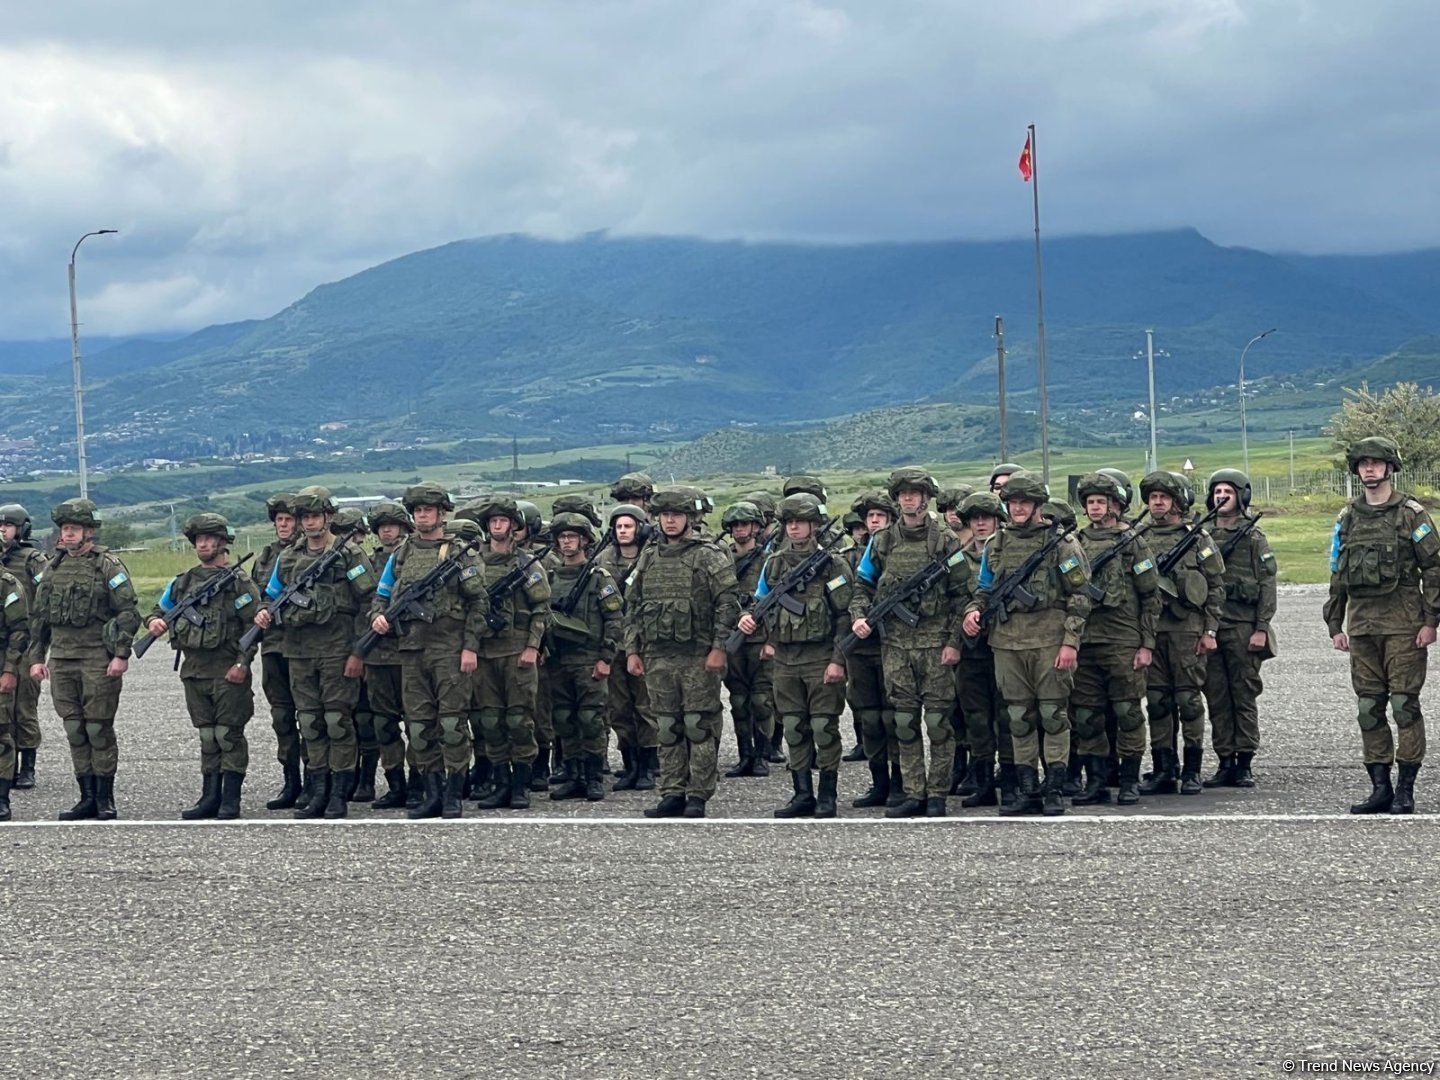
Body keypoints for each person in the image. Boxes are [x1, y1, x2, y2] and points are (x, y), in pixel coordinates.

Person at [1325, 436, 1440, 815]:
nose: (1369, 469)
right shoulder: (1348, 517)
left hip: (1404, 625)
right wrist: (1334, 623)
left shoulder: (1412, 514)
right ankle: (1380, 788)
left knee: (1404, 705)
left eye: (1376, 462)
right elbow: (1338, 572)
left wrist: (1431, 620)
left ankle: (1406, 789)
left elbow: (1434, 569)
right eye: (1363, 463)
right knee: (1368, 708)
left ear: (1390, 467)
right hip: (1362, 627)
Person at [963, 475, 1090, 816]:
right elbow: (984, 589)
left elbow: (1079, 596)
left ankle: (1053, 788)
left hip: (1050, 640)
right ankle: (1028, 789)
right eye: (1012, 502)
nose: (1017, 508)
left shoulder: (1062, 544)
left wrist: (1070, 642)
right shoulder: (997, 544)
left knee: (1052, 715)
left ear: (1037, 505)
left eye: (1023, 502)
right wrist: (973, 611)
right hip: (1007, 643)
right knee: (1018, 718)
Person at [850, 467, 971, 818]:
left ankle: (937, 793)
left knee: (937, 723)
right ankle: (913, 792)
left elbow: (963, 595)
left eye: (915, 493)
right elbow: (863, 587)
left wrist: (954, 643)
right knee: (903, 722)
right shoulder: (883, 540)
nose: (908, 498)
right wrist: (859, 616)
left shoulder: (945, 541)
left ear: (926, 498)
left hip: (935, 646)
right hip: (896, 646)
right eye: (903, 493)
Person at [253, 485, 374, 819]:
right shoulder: (289, 557)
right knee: (310, 722)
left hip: (337, 650)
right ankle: (317, 790)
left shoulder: (349, 554)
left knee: (337, 721)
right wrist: (264, 611)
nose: (309, 523)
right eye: (304, 517)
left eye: (314, 516)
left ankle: (338, 793)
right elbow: (270, 594)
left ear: (328, 517)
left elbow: (369, 602)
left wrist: (359, 653)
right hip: (298, 652)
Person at [369, 483, 489, 819]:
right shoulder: (402, 554)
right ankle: (432, 793)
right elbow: (381, 595)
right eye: (417, 510)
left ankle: (453, 794)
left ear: (442, 513)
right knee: (420, 728)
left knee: (452, 725)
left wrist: (470, 647)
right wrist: (378, 617)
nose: (422, 515)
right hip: (410, 651)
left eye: (428, 509)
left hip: (449, 650)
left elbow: (478, 602)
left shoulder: (459, 553)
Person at [625, 487, 740, 818]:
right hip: (658, 655)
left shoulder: (709, 555)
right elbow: (632, 606)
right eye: (665, 515)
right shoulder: (649, 556)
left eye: (677, 515)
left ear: (691, 518)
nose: (670, 521)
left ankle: (698, 794)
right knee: (666, 726)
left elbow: (727, 605)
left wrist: (719, 648)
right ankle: (672, 791)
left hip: (697, 655)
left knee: (697, 725)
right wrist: (633, 650)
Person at [736, 494, 853, 818]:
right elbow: (760, 600)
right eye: (789, 522)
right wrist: (748, 618)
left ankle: (827, 795)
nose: (794, 527)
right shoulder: (774, 563)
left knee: (823, 727)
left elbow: (845, 615)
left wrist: (837, 660)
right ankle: (802, 793)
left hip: (819, 656)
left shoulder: (833, 564)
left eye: (800, 521)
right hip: (785, 659)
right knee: (793, 727)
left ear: (814, 525)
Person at [27, 499, 141, 821]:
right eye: (64, 529)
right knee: (75, 729)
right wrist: (37, 658)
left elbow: (129, 613)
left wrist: (121, 654)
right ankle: (86, 797)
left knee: (98, 728)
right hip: (61, 659)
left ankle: (105, 799)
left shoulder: (108, 565)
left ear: (89, 531)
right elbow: (39, 618)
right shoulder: (53, 567)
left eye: (74, 528)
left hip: (96, 657)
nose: (68, 534)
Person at [147, 514, 261, 820]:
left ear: (223, 542)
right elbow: (160, 609)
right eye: (198, 539)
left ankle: (230, 799)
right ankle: (209, 796)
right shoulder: (183, 582)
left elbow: (253, 626)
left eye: (210, 538)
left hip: (227, 669)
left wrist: (242, 663)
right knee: (208, 736)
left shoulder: (238, 583)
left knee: (228, 735)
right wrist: (154, 621)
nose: (203, 544)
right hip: (194, 670)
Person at [1069, 473, 1158, 806]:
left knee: (1127, 712)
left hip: (1122, 641)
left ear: (1115, 506)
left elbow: (1151, 596)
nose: (1094, 507)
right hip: (1086, 642)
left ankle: (1129, 780)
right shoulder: (1075, 541)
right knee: (1087, 715)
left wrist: (1146, 644)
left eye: (1100, 502)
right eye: (1090, 502)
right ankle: (1095, 782)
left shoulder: (1132, 542)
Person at [1137, 472, 1225, 797]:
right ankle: (1163, 768)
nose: (1157, 502)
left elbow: (1216, 586)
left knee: (1188, 701)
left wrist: (1210, 629)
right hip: (1152, 631)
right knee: (1158, 702)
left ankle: (1191, 771)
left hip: (1187, 630)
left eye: (1164, 497)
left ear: (1177, 501)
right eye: (1152, 497)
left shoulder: (1198, 537)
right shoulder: (1139, 537)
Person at [471, 496, 550, 810]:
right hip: (484, 652)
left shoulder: (526, 564)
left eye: (503, 520)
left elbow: (541, 609)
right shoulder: (474, 563)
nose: (497, 526)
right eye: (492, 521)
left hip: (516, 651)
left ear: (514, 525)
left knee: (519, 719)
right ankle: (500, 782)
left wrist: (532, 646)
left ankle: (521, 784)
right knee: (491, 721)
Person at [1202, 469, 1278, 788]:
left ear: (1242, 496)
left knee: (1243, 694)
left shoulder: (1252, 537)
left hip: (1243, 626)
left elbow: (1267, 583)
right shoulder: (1201, 534)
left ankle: (1244, 760)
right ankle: (1224, 760)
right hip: (1210, 627)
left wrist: (1261, 627)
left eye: (1228, 492)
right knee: (1217, 696)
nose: (1222, 497)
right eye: (1217, 491)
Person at [545, 512, 623, 801]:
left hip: (589, 660)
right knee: (564, 720)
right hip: (558, 661)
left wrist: (606, 657)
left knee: (591, 719)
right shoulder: (550, 577)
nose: (567, 542)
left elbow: (614, 618)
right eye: (563, 537)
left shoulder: (598, 578)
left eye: (572, 537)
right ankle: (573, 775)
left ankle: (592, 778)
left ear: (585, 541)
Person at [953, 491, 1013, 807]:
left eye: (986, 518)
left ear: (997, 521)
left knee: (1008, 716)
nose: (979, 524)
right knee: (976, 719)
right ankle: (983, 781)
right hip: (970, 650)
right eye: (974, 519)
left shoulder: (1007, 553)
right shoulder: (956, 558)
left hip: (1004, 646)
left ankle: (1013, 780)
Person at [843, 490, 901, 807]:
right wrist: (858, 617)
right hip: (862, 648)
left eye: (880, 515)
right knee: (870, 719)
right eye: (870, 516)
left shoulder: (901, 549)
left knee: (896, 719)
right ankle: (879, 783)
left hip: (894, 645)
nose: (874, 521)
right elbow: (855, 594)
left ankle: (901, 783)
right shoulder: (851, 557)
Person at [598, 503, 658, 791]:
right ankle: (630, 764)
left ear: (641, 529)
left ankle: (648, 766)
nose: (623, 531)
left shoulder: (652, 558)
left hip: (643, 644)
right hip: (613, 644)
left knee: (645, 706)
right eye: (619, 527)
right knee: (619, 708)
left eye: (628, 526)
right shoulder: (602, 561)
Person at [360, 500, 414, 809]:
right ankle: (395, 783)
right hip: (378, 655)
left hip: (409, 653)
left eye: (392, 525)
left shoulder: (413, 558)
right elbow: (363, 606)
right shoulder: (368, 563)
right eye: (381, 527)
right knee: (384, 724)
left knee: (418, 723)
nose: (386, 531)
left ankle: (421, 781)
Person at [252, 493, 303, 809]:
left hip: (304, 647)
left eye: (289, 520)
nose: (283, 525)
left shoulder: (309, 554)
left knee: (312, 719)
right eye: (279, 521)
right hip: (273, 648)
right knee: (282, 718)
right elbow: (257, 598)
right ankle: (291, 781)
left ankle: (317, 780)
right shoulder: (266, 557)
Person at [721, 500, 773, 779]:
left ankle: (763, 755)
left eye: (745, 524)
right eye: (735, 525)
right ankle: (745, 755)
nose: (740, 529)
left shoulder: (768, 561)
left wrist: (772, 641)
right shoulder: (721, 558)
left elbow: (778, 602)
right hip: (732, 638)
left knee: (762, 701)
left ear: (755, 527)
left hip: (760, 638)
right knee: (739, 701)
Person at [0, 504, 46, 790]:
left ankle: (27, 765)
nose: (3, 529)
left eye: (8, 524)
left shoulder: (32, 560)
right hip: (5, 644)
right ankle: (7, 766)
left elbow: (47, 591)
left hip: (27, 643)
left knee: (24, 707)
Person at [0, 561, 29, 821]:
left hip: (0, 666)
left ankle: (1, 800)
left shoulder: (8, 585)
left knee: (1, 734)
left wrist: (10, 670)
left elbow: (19, 631)